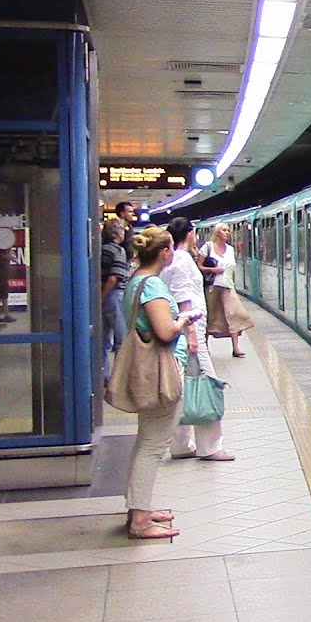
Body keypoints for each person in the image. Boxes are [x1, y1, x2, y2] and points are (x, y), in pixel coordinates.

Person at [122, 226, 201, 539]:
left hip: (151, 371)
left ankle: (137, 508)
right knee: (154, 445)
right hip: (161, 372)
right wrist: (183, 320)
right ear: (164, 251)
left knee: (146, 440)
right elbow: (166, 331)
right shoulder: (152, 285)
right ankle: (140, 520)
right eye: (170, 249)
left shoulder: (136, 280)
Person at [162, 218, 234, 462]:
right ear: (190, 234)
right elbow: (185, 299)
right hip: (190, 330)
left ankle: (181, 445)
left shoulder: (172, 259)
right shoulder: (182, 260)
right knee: (206, 384)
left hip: (181, 331)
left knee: (185, 387)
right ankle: (211, 446)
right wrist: (193, 337)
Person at [200, 222, 254, 356]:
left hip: (228, 286)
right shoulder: (207, 247)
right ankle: (205, 346)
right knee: (210, 316)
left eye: (228, 230)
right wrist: (213, 269)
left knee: (233, 315)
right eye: (224, 230)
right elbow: (199, 266)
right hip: (212, 287)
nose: (227, 233)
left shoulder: (230, 249)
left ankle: (236, 348)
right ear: (217, 232)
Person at [100, 219, 129, 376]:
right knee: (121, 337)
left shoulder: (103, 249)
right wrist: (103, 297)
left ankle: (103, 374)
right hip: (114, 295)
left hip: (104, 294)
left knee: (103, 338)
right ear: (117, 233)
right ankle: (120, 376)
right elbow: (113, 278)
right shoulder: (118, 251)